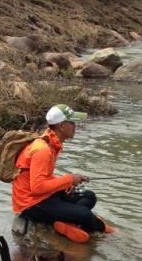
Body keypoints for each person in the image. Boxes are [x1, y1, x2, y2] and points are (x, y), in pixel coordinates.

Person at [11, 104, 113, 242]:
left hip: (44, 197)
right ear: (61, 126)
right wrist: (69, 179)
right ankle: (99, 226)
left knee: (89, 196)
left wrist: (65, 184)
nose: (75, 126)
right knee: (85, 215)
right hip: (32, 204)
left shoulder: (51, 142)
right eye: (72, 122)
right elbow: (37, 188)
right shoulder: (43, 149)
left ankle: (65, 223)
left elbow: (43, 176)